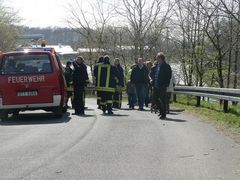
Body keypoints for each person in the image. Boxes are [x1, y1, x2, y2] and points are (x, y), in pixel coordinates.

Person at [150, 52, 172, 119]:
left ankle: (163, 114)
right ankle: (161, 111)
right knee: (154, 99)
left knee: (163, 100)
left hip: (162, 85)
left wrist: (165, 84)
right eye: (156, 58)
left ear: (161, 58)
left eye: (158, 58)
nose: (157, 59)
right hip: (155, 85)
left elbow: (169, 76)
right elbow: (153, 74)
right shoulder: (156, 66)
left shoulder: (166, 66)